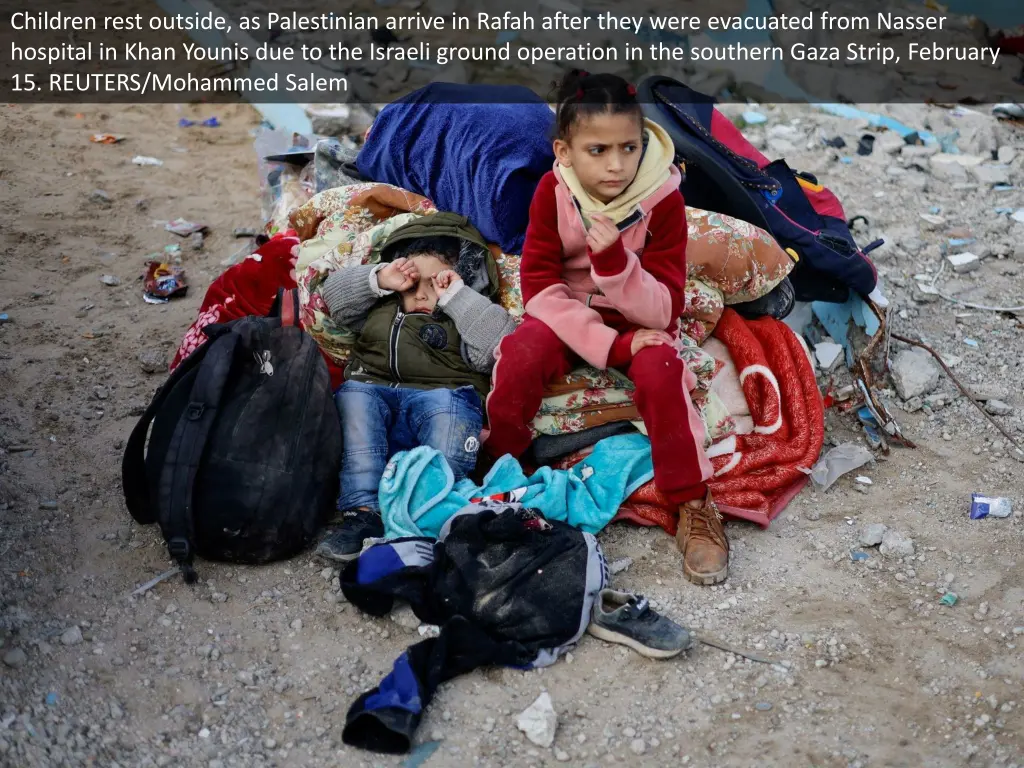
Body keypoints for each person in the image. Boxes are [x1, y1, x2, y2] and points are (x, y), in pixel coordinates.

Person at [483, 71, 728, 584]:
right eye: (598, 150)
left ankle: (692, 503)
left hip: (639, 311)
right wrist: (611, 347)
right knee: (522, 352)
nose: (617, 164)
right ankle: (500, 466)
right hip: (569, 311)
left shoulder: (663, 199)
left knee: (663, 367)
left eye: (629, 147)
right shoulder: (553, 190)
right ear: (565, 151)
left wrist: (617, 266)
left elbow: (665, 308)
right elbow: (541, 287)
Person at [316, 213, 517, 561]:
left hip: (442, 397)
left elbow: (499, 343)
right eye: (412, 281)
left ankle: (430, 508)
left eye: (435, 284)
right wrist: (380, 278)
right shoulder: (380, 302)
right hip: (373, 392)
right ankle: (363, 514)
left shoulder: (462, 311)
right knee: (353, 397)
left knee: (448, 410)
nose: (422, 293)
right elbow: (333, 299)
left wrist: (457, 298)